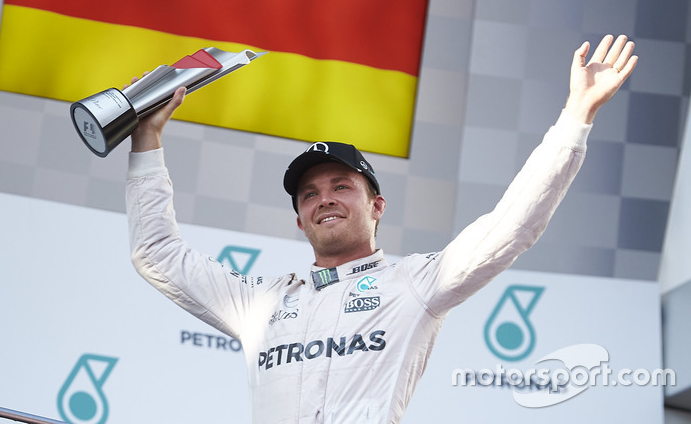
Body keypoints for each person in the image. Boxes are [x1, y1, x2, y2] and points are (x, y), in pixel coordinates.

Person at [125, 35, 637, 423]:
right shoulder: (259, 304)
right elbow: (157, 254)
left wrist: (576, 116)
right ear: (300, 221)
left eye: (341, 186)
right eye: (309, 194)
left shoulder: (414, 285)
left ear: (377, 206)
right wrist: (146, 138)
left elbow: (513, 224)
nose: (324, 198)